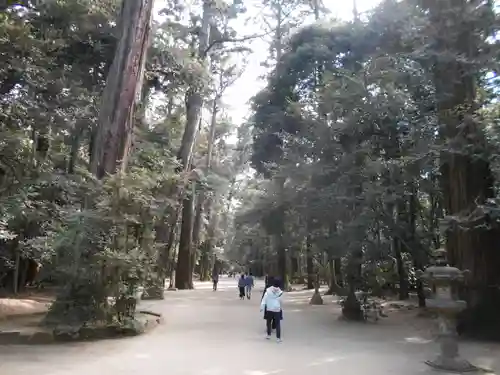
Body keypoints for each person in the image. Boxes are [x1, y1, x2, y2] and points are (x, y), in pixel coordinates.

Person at [260, 278, 283, 342]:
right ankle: (278, 338)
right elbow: (281, 301)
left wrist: (262, 307)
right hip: (277, 309)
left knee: (268, 322)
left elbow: (264, 299)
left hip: (269, 308)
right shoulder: (280, 292)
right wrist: (280, 307)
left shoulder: (268, 290)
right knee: (278, 324)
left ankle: (268, 335)